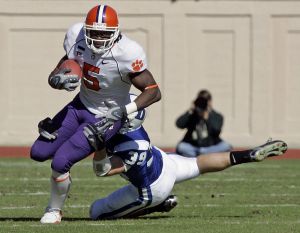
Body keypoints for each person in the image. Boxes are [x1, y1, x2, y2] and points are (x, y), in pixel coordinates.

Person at [30, 4, 161, 224]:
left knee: (60, 162)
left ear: (116, 32)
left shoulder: (128, 52)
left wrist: (123, 111)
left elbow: (153, 91)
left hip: (106, 117)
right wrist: (56, 79)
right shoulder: (76, 35)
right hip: (79, 106)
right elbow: (62, 66)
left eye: (105, 34)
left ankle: (54, 210)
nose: (99, 39)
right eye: (94, 32)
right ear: (85, 29)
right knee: (39, 152)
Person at [84, 98, 288, 220]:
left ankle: (156, 206)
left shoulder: (131, 147)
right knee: (199, 163)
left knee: (97, 212)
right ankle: (248, 155)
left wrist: (100, 146)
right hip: (165, 162)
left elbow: (103, 170)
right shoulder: (132, 127)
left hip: (152, 188)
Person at [176, 89, 232, 157]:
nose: (203, 103)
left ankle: (201, 155)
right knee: (181, 147)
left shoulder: (217, 116)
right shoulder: (192, 115)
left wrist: (207, 119)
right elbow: (179, 124)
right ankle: (206, 156)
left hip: (211, 147)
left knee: (226, 146)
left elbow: (217, 131)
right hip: (194, 147)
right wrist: (190, 111)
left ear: (210, 102)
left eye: (205, 100)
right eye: (200, 100)